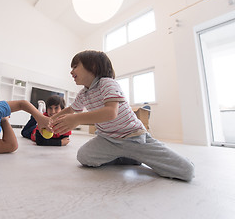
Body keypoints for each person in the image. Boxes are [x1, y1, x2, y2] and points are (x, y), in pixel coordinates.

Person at [50, 50, 195, 181]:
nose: (71, 71)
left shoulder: (107, 83)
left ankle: (133, 154)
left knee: (187, 171)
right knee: (84, 157)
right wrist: (50, 120)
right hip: (107, 139)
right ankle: (125, 156)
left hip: (134, 138)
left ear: (92, 66)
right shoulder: (83, 93)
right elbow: (71, 110)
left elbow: (110, 112)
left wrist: (77, 119)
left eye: (75, 66)